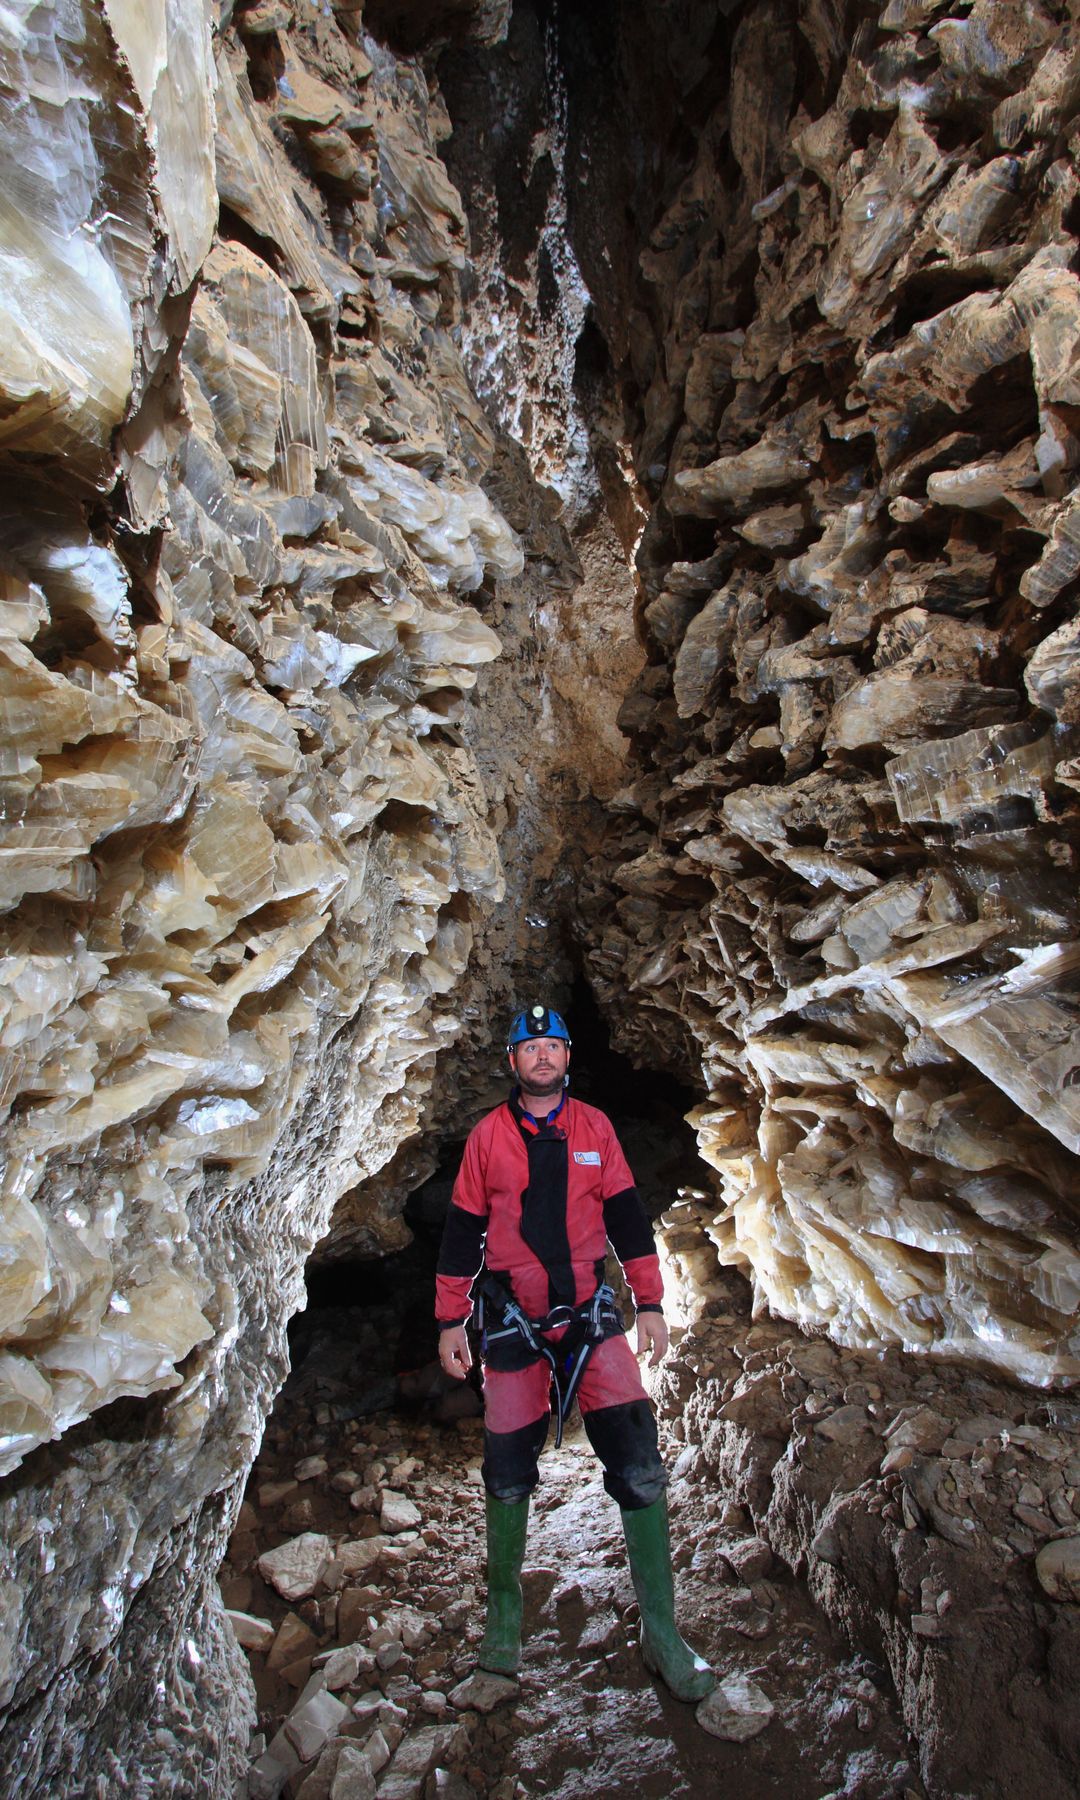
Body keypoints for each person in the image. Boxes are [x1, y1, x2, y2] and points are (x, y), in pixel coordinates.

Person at [435, 1002, 714, 1701]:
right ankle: (503, 1629)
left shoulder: (595, 1129)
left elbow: (626, 1218)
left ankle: (662, 1631)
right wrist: (450, 1320)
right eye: (529, 1048)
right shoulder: (487, 1139)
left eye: (552, 1046)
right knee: (506, 1466)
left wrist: (649, 1303)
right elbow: (462, 1234)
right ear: (512, 1062)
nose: (542, 1057)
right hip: (511, 1320)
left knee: (637, 1454)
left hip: (590, 1314)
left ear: (566, 1057)